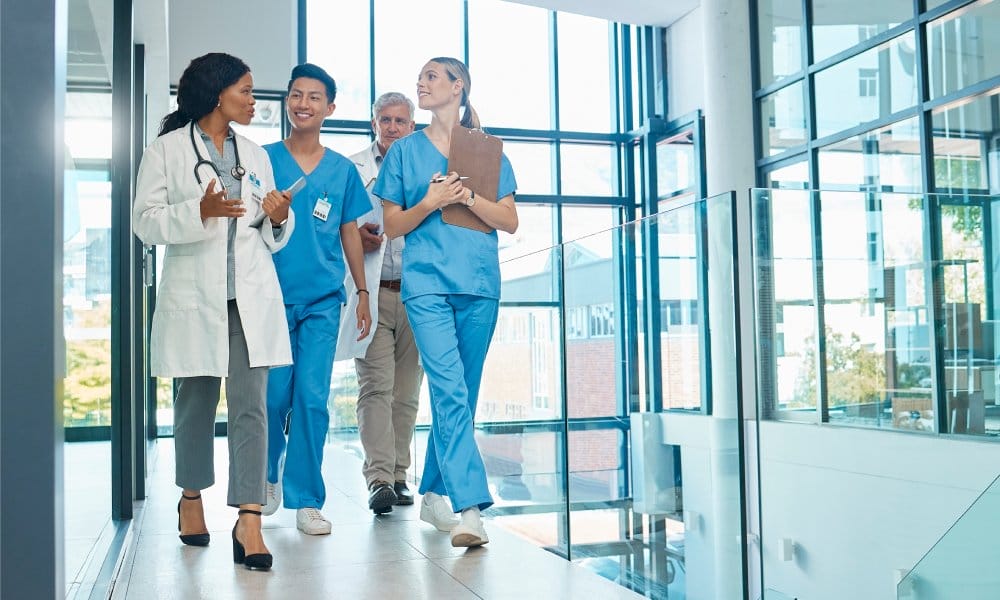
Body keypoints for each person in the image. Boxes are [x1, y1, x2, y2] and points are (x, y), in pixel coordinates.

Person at [132, 52, 293, 571]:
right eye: (245, 90)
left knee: (252, 407)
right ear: (217, 92)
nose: (253, 100)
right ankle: (191, 499)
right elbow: (145, 223)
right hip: (194, 299)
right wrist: (196, 210)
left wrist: (277, 217)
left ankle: (249, 518)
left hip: (248, 300)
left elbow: (271, 236)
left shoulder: (256, 155)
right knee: (195, 406)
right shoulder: (165, 151)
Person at [375, 57, 518, 547]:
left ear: (458, 87)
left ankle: (434, 490)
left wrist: (468, 199)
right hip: (426, 285)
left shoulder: (486, 149)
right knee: (450, 391)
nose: (422, 81)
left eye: (432, 76)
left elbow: (509, 219)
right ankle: (470, 508)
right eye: (420, 76)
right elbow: (393, 225)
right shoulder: (403, 153)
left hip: (479, 284)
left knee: (462, 395)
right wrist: (431, 203)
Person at [260, 63, 373, 535]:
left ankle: (306, 498)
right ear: (287, 101)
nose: (302, 104)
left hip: (324, 301)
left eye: (313, 97)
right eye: (295, 95)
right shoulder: (263, 158)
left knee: (311, 398)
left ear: (329, 107)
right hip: (268, 298)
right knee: (270, 398)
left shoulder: (342, 170)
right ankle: (266, 480)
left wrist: (362, 290)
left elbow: (350, 230)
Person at [336, 92, 423, 515]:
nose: (392, 127)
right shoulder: (352, 169)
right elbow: (336, 226)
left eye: (400, 121)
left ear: (412, 126)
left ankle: (401, 475)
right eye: (385, 120)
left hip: (416, 295)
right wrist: (353, 235)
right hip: (371, 292)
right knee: (376, 387)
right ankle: (379, 480)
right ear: (374, 123)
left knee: (406, 393)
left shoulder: (427, 167)